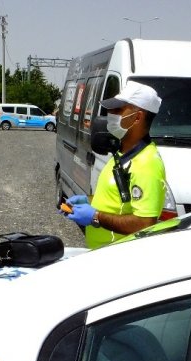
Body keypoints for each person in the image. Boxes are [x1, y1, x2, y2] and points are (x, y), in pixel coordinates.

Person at [64, 80, 166, 249]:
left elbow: (145, 224)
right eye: (110, 109)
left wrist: (95, 216)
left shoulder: (147, 164)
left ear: (138, 117)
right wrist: (89, 202)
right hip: (104, 253)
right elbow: (117, 202)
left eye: (118, 110)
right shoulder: (121, 153)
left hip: (120, 259)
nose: (110, 114)